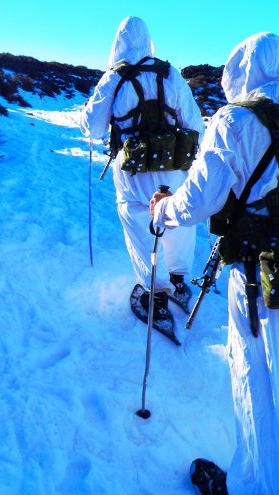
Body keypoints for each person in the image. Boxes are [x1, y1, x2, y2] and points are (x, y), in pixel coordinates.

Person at [149, 32, 279, 494]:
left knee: (260, 380)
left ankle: (258, 485)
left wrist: (163, 209)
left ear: (240, 70)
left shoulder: (232, 122)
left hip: (260, 277)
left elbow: (199, 202)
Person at [80, 16, 204, 331]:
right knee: (176, 219)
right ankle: (178, 280)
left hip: (133, 170)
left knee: (139, 223)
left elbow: (91, 128)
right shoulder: (170, 73)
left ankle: (154, 294)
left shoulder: (114, 78)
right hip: (174, 164)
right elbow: (195, 125)